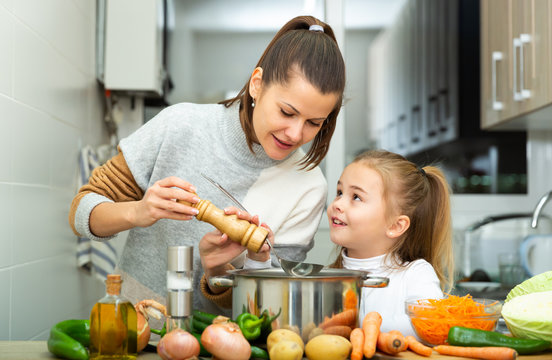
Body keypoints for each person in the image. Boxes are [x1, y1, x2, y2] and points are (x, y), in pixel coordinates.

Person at [69, 15, 346, 315]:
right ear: (257, 85)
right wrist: (139, 211)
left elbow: (268, 311)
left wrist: (217, 273)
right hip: (134, 328)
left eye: (314, 123)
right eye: (286, 112)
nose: (295, 134)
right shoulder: (181, 125)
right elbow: (81, 211)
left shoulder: (308, 187)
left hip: (220, 343)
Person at [326, 150, 454, 338]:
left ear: (395, 225)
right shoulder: (328, 275)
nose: (337, 204)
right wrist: (264, 261)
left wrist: (355, 326)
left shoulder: (415, 274)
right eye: (339, 192)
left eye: (356, 197)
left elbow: (429, 325)